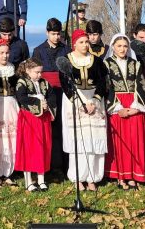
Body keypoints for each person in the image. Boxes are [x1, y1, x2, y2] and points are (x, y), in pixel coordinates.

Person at [60, 29, 108, 190]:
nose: (85, 45)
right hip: (74, 100)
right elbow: (65, 83)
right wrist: (78, 102)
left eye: (87, 42)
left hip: (95, 99)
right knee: (79, 140)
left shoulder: (97, 61)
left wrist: (95, 100)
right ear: (74, 44)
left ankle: (93, 177)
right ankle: (78, 177)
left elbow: (102, 82)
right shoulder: (67, 60)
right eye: (81, 42)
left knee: (95, 139)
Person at [104, 34, 145, 190]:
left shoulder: (135, 64)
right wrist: (118, 108)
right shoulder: (106, 64)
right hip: (117, 105)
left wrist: (135, 108)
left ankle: (134, 174)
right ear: (113, 47)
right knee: (119, 143)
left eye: (125, 46)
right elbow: (107, 88)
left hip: (133, 104)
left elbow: (141, 85)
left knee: (135, 141)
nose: (122, 49)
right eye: (119, 46)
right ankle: (121, 175)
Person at [32, 18, 69, 174]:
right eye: (53, 34)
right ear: (47, 33)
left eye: (58, 34)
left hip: (64, 93)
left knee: (63, 127)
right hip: (46, 93)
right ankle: (49, 165)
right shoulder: (38, 50)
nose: (56, 37)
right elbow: (35, 75)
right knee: (48, 128)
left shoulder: (66, 49)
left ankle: (64, 165)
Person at [14, 57, 57, 192]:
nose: (39, 75)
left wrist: (47, 105)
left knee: (42, 147)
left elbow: (52, 96)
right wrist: (38, 103)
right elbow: (22, 98)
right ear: (28, 70)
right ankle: (28, 181)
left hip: (43, 120)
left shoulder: (44, 83)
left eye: (40, 72)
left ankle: (41, 179)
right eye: (36, 72)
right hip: (29, 119)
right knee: (29, 148)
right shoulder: (22, 82)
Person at [0, 38, 19, 185]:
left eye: (7, 53)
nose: (5, 56)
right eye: (1, 53)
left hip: (11, 104)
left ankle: (8, 172)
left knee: (11, 137)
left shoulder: (14, 68)